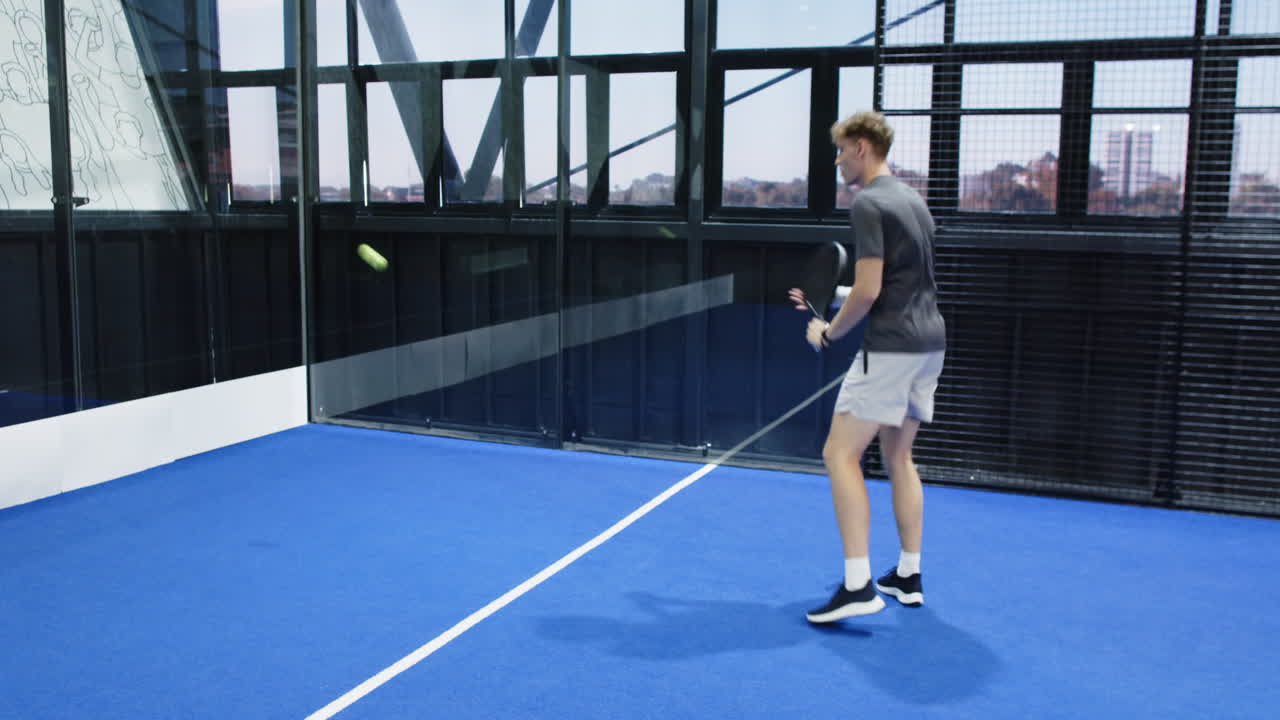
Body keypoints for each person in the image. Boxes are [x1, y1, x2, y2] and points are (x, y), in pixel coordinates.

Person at [788, 111, 946, 624]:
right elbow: (901, 280)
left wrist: (829, 331)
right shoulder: (912, 200)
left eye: (839, 152)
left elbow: (871, 290)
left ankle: (858, 585)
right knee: (899, 457)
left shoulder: (870, 203)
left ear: (860, 147)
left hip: (893, 347)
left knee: (839, 454)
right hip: (929, 342)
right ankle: (908, 574)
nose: (837, 162)